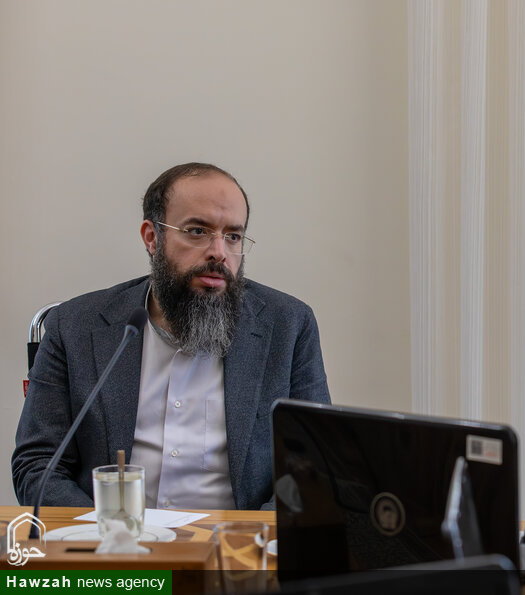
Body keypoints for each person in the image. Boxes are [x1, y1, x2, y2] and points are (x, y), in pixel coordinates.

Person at [12, 162, 331, 510]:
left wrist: (250, 536)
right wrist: (108, 530)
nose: (219, 251)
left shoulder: (288, 325)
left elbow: (315, 466)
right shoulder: (75, 326)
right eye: (197, 231)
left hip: (237, 541)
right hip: (115, 537)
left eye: (233, 236)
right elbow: (38, 465)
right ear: (152, 237)